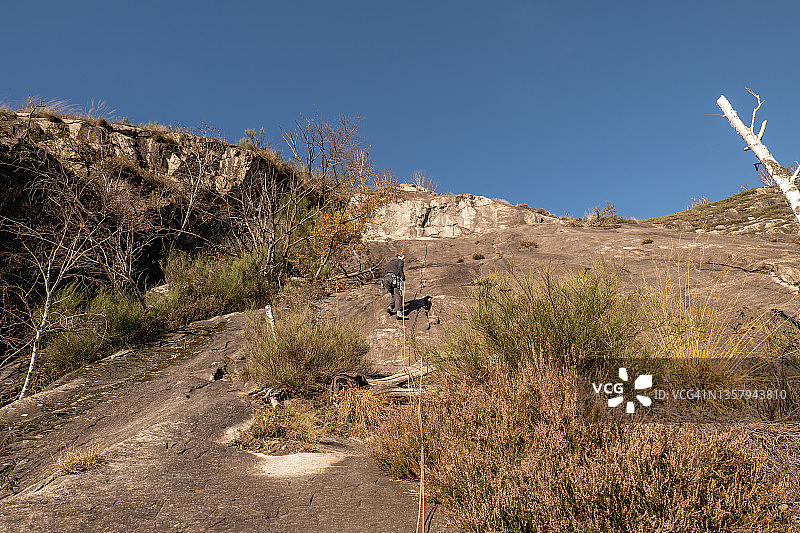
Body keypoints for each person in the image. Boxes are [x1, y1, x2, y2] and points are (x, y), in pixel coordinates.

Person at [383, 254, 406, 319]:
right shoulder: (399, 261)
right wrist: (403, 277)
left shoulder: (389, 263)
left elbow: (384, 272)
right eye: (403, 258)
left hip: (386, 279)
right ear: (398, 257)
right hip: (393, 279)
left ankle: (390, 307)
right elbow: (400, 268)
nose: (403, 260)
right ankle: (399, 313)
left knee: (393, 295)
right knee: (398, 295)